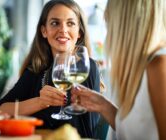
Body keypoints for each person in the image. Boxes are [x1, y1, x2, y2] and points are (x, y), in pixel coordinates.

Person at [0, 0, 103, 139]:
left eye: (70, 23)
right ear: (44, 31)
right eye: (55, 23)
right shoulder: (36, 70)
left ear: (79, 32)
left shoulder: (86, 68)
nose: (63, 29)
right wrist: (40, 102)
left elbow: (86, 132)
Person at [71, 0, 166, 139]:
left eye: (109, 22)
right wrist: (103, 105)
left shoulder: (160, 66)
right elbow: (135, 130)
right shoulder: (135, 69)